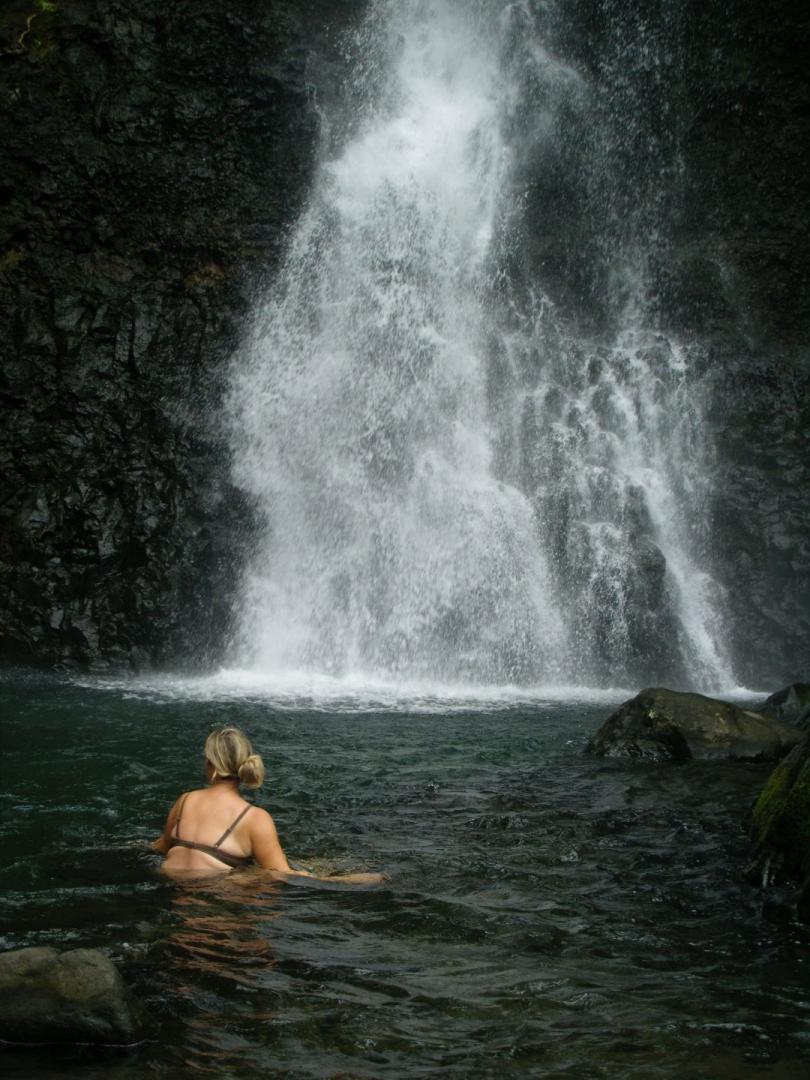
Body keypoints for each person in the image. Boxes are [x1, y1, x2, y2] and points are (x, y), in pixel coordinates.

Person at [152, 726, 383, 883]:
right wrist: (344, 881)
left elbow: (161, 847)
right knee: (270, 873)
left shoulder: (185, 800)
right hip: (217, 894)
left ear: (209, 763)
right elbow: (282, 875)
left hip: (171, 887)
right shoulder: (255, 818)